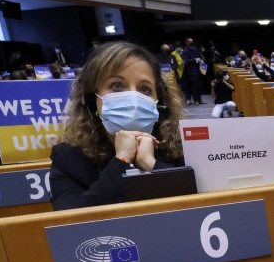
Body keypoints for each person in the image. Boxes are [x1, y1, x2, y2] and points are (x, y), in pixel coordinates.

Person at [49, 42, 184, 210]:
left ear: (159, 101)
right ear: (92, 97)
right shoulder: (68, 159)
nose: (133, 97)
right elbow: (71, 224)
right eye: (117, 86)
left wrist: (151, 165)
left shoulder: (180, 147)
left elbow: (203, 207)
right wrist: (121, 162)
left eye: (145, 89)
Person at [181, 38, 204, 104]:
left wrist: (200, 60)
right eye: (190, 41)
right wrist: (195, 59)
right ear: (187, 42)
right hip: (191, 71)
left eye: (192, 41)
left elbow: (198, 57)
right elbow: (185, 61)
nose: (192, 42)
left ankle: (199, 99)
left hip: (198, 69)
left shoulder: (195, 49)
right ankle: (195, 100)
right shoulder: (185, 51)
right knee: (194, 86)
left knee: (199, 86)